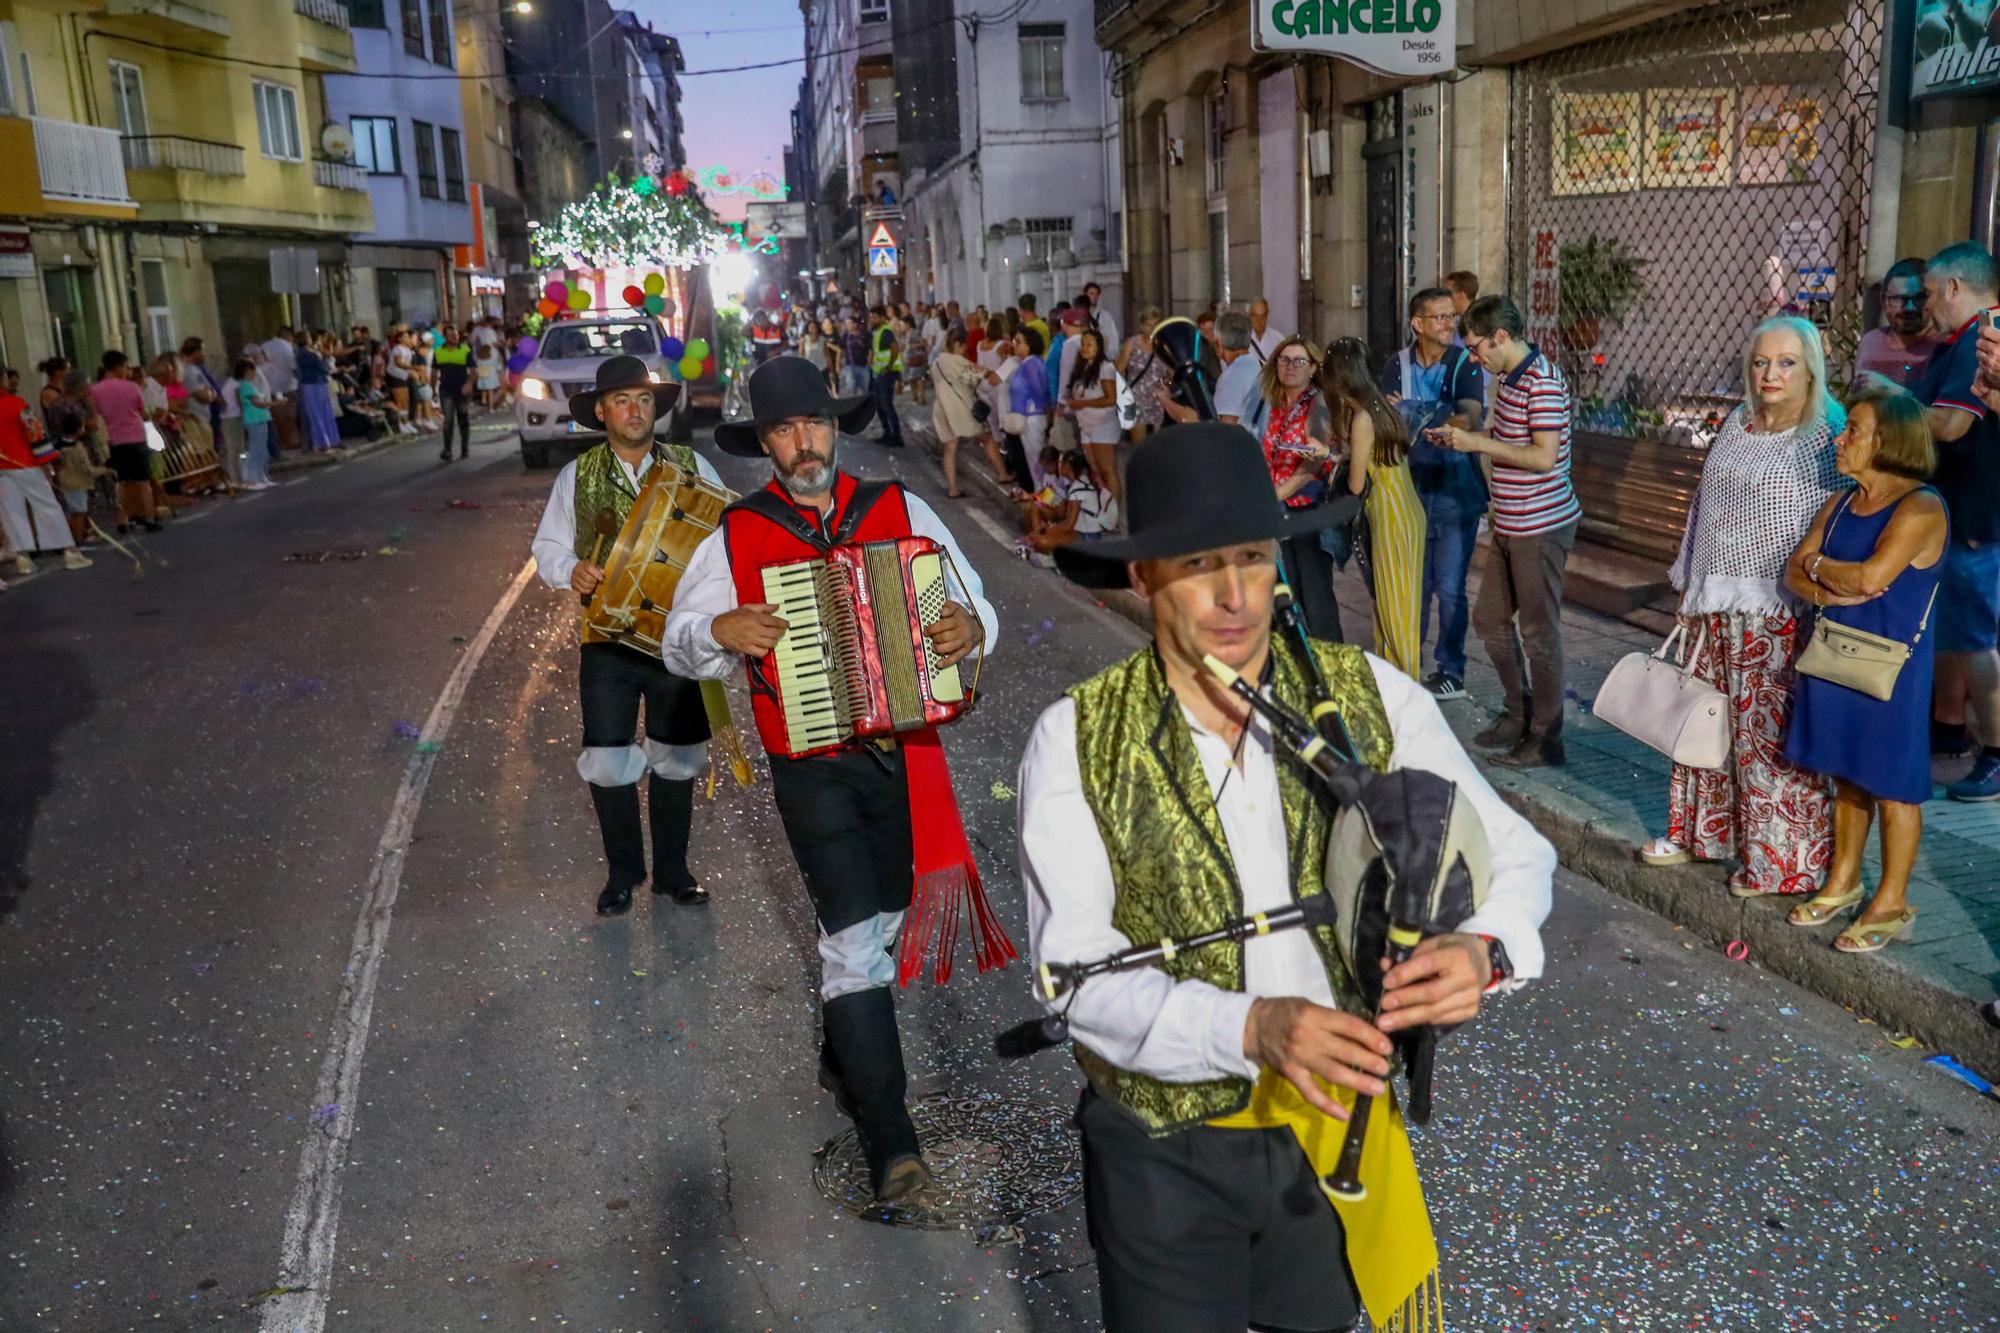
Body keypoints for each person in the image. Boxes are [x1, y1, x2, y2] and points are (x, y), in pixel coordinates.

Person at [1020, 422, 1553, 1333]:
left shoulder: (1372, 696)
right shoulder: (1074, 737)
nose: (1236, 597)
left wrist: (1485, 949)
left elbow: (1517, 852)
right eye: (1198, 565)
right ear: (1143, 578)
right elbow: (1073, 974)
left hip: (1331, 1132)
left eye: (1254, 558)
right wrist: (1252, 1025)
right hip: (1163, 1151)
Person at [662, 355, 999, 1206]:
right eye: (782, 431)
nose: (801, 443)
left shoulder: (901, 508)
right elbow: (676, 640)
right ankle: (893, 1142)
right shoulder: (733, 536)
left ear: (835, 426)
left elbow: (975, 599)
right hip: (809, 766)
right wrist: (719, 627)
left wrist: (970, 628)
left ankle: (842, 1047)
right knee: (852, 943)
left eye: (812, 424)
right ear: (764, 444)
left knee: (884, 914)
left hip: (899, 754)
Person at [1634, 315, 1839, 893]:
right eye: (1760, 362)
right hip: (1712, 601)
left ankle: (1781, 863)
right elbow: (1704, 507)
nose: (1770, 373)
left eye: (1786, 363)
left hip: (1775, 610)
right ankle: (1704, 836)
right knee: (1702, 724)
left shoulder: (1823, 436)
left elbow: (1828, 523)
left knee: (1765, 737)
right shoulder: (1734, 422)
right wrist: (1689, 584)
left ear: (1810, 372)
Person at [530, 355, 720, 917]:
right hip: (607, 642)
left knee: (678, 757)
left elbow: (726, 536)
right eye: (622, 401)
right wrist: (573, 571)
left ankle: (673, 872)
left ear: (654, 410)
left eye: (643, 401)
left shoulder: (692, 465)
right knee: (609, 761)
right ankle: (622, 874)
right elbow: (549, 549)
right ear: (602, 411)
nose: (635, 411)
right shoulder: (577, 475)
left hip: (676, 638)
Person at [1782, 377, 1947, 949]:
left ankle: (1892, 902)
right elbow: (1792, 571)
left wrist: (1818, 569)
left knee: (1894, 786)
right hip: (1837, 657)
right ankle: (1845, 881)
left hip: (1892, 667)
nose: (1839, 436)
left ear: (1886, 441)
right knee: (1848, 773)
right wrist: (1827, 582)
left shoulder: (1921, 506)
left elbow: (1874, 578)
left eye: (1853, 429)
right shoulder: (1843, 500)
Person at [1434, 295, 1582, 770]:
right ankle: (1518, 713)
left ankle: (1546, 737)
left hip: (1542, 525)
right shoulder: (1508, 378)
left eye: (1477, 348)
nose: (1474, 358)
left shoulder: (1541, 382)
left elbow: (1542, 457)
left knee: (1539, 632)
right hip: (1510, 521)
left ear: (1501, 336)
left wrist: (1477, 442)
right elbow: (1508, 442)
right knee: (1491, 620)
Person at [1911, 241, 2000, 801]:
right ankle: (1951, 728)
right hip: (1965, 512)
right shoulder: (1965, 340)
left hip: (1977, 516)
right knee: (1961, 634)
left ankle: (1994, 752)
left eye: (1929, 292)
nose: (1926, 305)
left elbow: (1950, 425)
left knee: (1980, 642)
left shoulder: (1981, 338)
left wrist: (1888, 407)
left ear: (1953, 288)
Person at [1383, 286, 1488, 701]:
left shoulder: (1465, 362)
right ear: (1417, 324)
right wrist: (1436, 413)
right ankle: (1410, 662)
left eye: (1451, 317)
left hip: (1454, 490)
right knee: (1414, 585)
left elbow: (1470, 416)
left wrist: (1411, 410)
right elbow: (1385, 419)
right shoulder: (1397, 362)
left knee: (1449, 586)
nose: (1450, 324)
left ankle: (1451, 670)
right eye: (1440, 318)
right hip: (1410, 488)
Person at [1324, 337, 1426, 678]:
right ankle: (1396, 687)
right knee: (1395, 606)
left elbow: (1355, 484)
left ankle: (1407, 696)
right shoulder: (1382, 406)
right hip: (1405, 509)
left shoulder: (1362, 419)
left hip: (1390, 515)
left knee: (1393, 611)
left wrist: (1333, 463)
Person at [1256, 335, 1346, 642]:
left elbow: (1311, 468)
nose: (1290, 367)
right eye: (1284, 360)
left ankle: (1333, 667)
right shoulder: (1276, 403)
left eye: (1299, 361)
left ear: (1312, 369)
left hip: (1309, 511)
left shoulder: (1318, 403)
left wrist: (1273, 497)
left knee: (1315, 593)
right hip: (1281, 510)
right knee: (1288, 590)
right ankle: (1303, 665)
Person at [0, 376, 90, 575]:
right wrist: (47, 460)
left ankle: (23, 557)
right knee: (47, 505)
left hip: (2, 468)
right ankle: (69, 551)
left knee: (11, 511)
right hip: (25, 463)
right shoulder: (16, 404)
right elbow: (35, 431)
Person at [929, 326, 1000, 499]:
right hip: (962, 409)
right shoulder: (958, 361)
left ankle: (952, 488)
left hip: (941, 409)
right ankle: (1003, 474)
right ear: (957, 344)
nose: (964, 350)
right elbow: (975, 377)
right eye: (963, 346)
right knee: (987, 438)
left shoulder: (937, 361)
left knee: (949, 449)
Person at [91, 352, 158, 532]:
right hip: (135, 437)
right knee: (143, 481)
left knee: (123, 482)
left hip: (114, 441)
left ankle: (122, 520)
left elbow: (95, 415)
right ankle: (149, 517)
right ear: (120, 366)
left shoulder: (95, 390)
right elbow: (143, 411)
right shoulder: (132, 387)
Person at [1855, 258, 1938, 388]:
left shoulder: (1941, 347)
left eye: (1919, 299)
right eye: (1899, 299)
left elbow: (1941, 406)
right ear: (1884, 301)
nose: (1910, 308)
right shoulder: (1870, 343)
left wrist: (1887, 388)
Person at [1066, 326, 1122, 504]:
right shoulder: (1084, 368)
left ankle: (1113, 513)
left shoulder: (1105, 367)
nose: (1084, 348)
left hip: (1103, 425)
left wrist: (1082, 404)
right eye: (1083, 344)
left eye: (1089, 344)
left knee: (1107, 469)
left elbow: (1110, 398)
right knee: (1095, 469)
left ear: (1099, 347)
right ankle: (1103, 508)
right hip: (1086, 425)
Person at [1115, 306, 1170, 444]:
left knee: (1159, 445)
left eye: (1155, 324)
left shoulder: (1165, 346)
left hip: (1160, 400)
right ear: (1141, 326)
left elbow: (1173, 372)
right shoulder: (1132, 344)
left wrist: (1168, 383)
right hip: (1137, 399)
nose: (1152, 328)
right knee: (1139, 445)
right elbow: (1119, 370)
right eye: (1148, 324)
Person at [1008, 326, 1052, 488]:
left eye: (1018, 342)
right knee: (1032, 458)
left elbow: (1039, 390)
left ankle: (1041, 492)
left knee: (1036, 459)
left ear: (1029, 345)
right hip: (1029, 417)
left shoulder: (1031, 364)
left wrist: (1037, 407)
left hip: (1032, 417)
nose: (1015, 345)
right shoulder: (1028, 363)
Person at [432, 324, 474, 461]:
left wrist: (469, 383)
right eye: (451, 335)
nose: (454, 337)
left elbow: (474, 370)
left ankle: (464, 449)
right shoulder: (438, 352)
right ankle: (448, 449)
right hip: (446, 391)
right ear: (445, 337)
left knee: (463, 419)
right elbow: (434, 372)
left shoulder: (465, 350)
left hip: (462, 391)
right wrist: (433, 389)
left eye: (456, 334)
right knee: (448, 420)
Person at [234, 357, 275, 491]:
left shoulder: (251, 385)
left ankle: (262, 476)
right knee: (256, 449)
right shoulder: (245, 386)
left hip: (260, 418)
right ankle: (252, 478)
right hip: (253, 419)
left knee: (262, 449)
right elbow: (256, 403)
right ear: (246, 372)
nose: (255, 374)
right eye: (252, 371)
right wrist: (275, 403)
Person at [867, 305, 905, 448]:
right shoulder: (877, 332)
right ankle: (887, 434)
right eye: (871, 317)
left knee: (886, 405)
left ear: (883, 317)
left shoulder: (886, 332)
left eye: (875, 317)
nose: (872, 320)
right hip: (878, 373)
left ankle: (896, 437)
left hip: (887, 374)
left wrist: (888, 366)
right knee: (879, 405)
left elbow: (895, 348)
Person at [296, 332, 340, 452]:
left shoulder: (302, 353)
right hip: (315, 384)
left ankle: (327, 441)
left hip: (313, 384)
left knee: (319, 413)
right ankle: (325, 442)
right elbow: (323, 367)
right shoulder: (309, 353)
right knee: (320, 414)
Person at [261, 326, 300, 451]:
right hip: (288, 385)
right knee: (290, 414)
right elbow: (294, 367)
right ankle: (292, 440)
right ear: (288, 335)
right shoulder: (287, 347)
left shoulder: (265, 346)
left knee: (276, 415)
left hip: (270, 386)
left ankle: (281, 441)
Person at [1082, 280, 1119, 351]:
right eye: (1091, 293)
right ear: (1085, 295)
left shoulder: (1105, 316)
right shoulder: (1081, 315)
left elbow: (1113, 337)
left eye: (1096, 294)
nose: (1094, 296)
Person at [1247, 297, 1284, 364]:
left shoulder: (1278, 339)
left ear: (1267, 315)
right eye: (1255, 316)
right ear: (1249, 315)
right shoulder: (1241, 339)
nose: (1259, 321)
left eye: (1263, 316)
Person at [474, 338, 504, 409]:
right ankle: (491, 408)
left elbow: (477, 368)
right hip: (491, 378)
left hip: (483, 377)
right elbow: (499, 367)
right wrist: (500, 359)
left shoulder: (479, 360)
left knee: (484, 389)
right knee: (491, 393)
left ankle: (483, 399)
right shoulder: (491, 360)